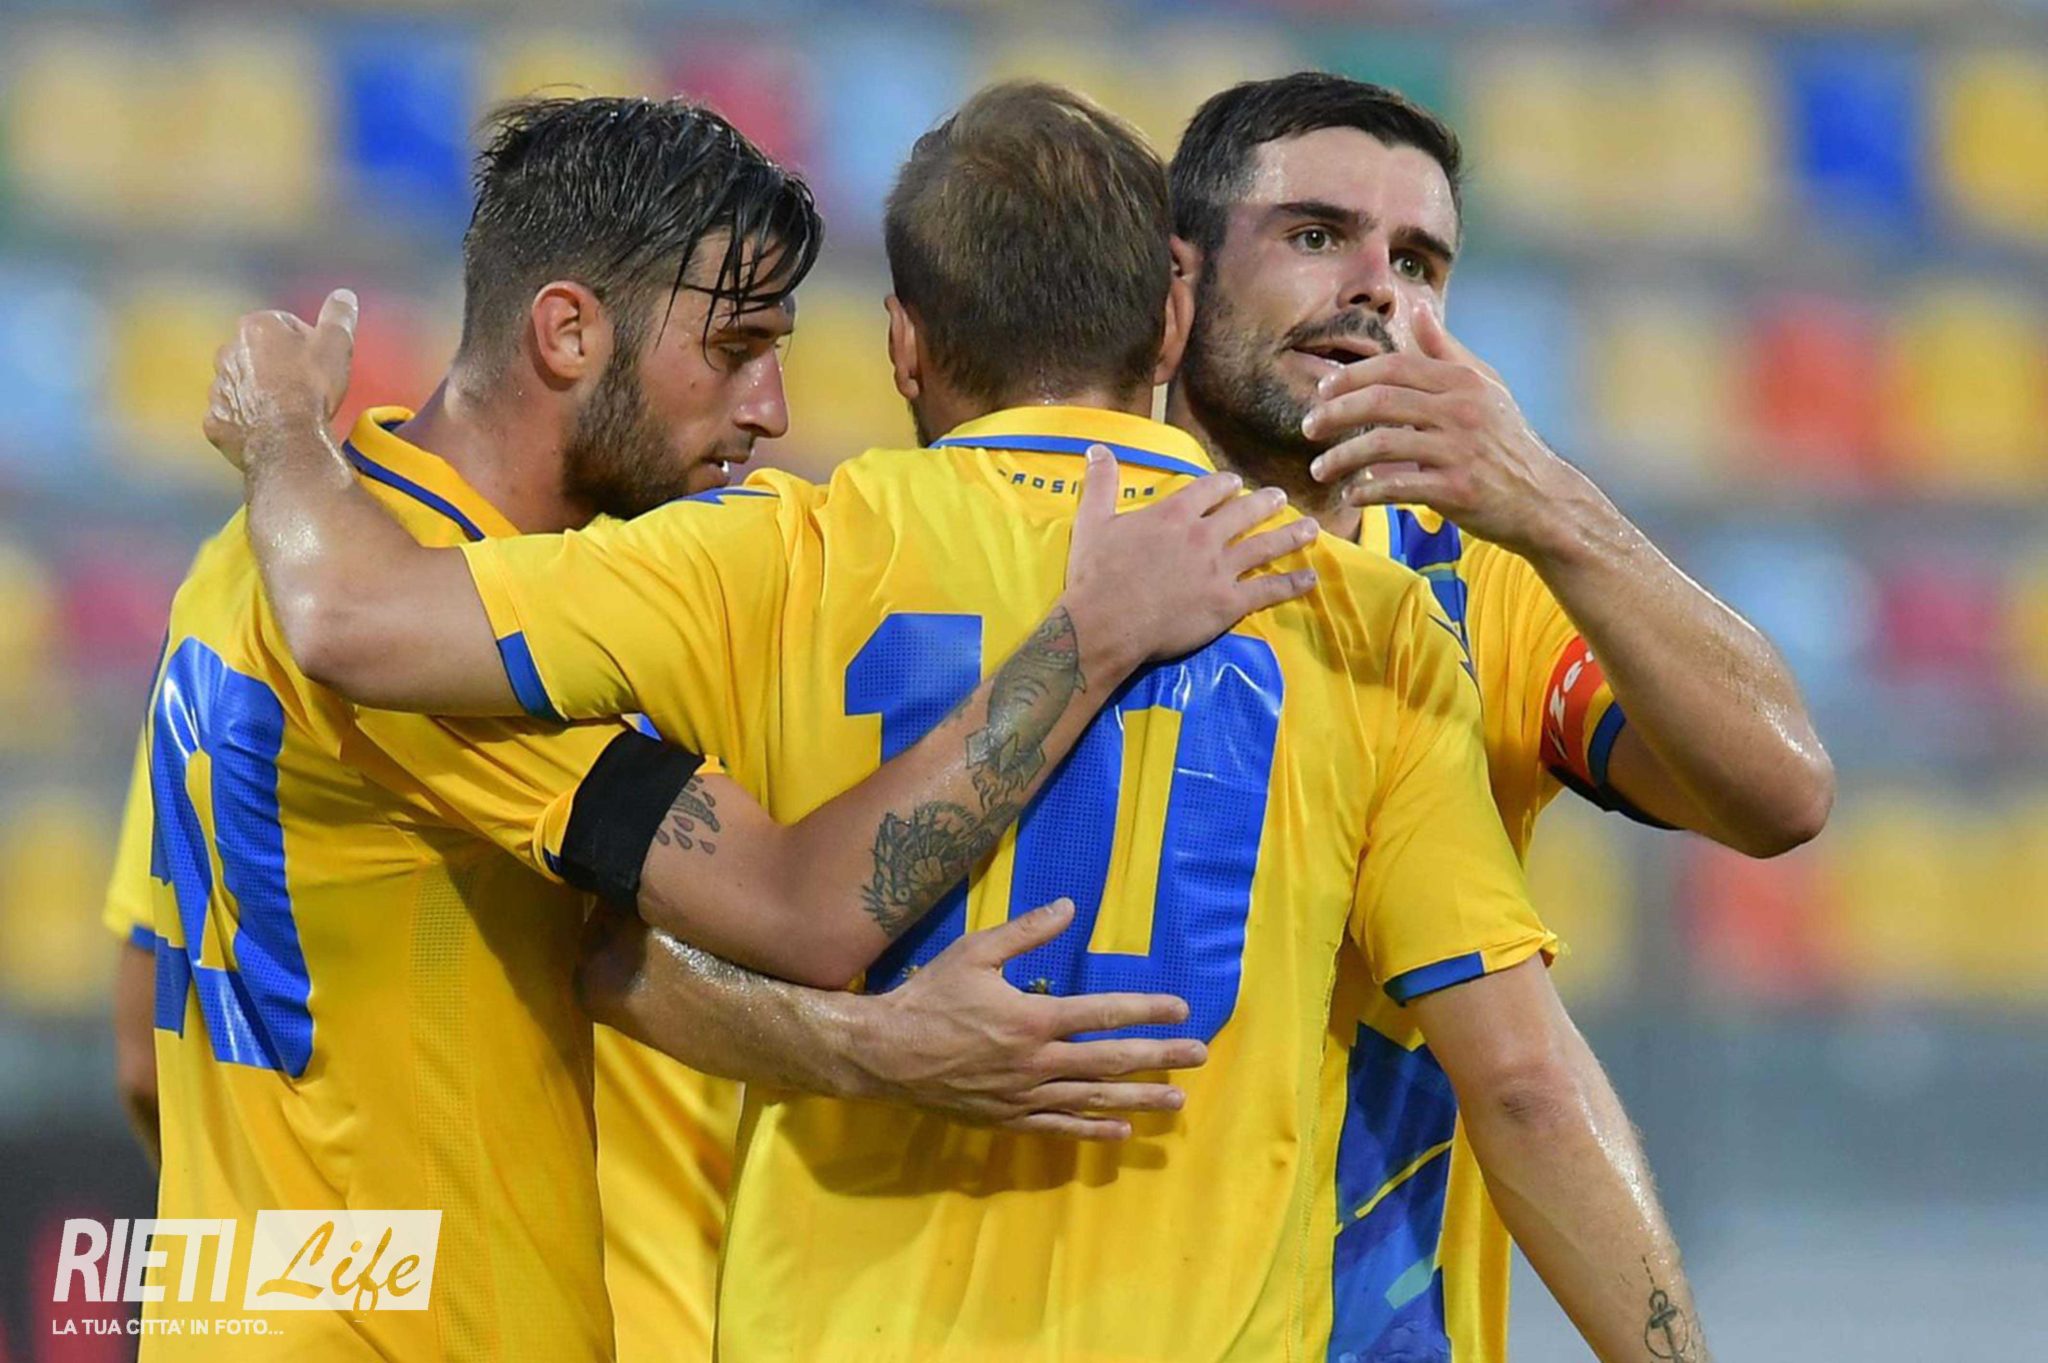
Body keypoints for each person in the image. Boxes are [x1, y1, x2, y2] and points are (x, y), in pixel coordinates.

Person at [203, 81, 1708, 1363]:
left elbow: (367, 629)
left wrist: (284, 437)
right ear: (1171, 316)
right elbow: (1523, 1081)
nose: (766, 408)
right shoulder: (1365, 620)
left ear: (906, 344)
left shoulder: (777, 554)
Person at [112, 95, 1311, 1361]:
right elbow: (802, 907)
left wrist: (865, 1049)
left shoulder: (271, 546)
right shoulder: (428, 638)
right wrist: (1093, 633)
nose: (771, 409)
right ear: (568, 331)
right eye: (734, 348)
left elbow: (602, 953)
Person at [1162, 71, 1830, 1357]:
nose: (1374, 288)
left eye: (1416, 262)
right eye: (1315, 235)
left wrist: (1551, 506)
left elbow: (1780, 792)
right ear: (1176, 276)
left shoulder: (1475, 592)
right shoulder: (1052, 551)